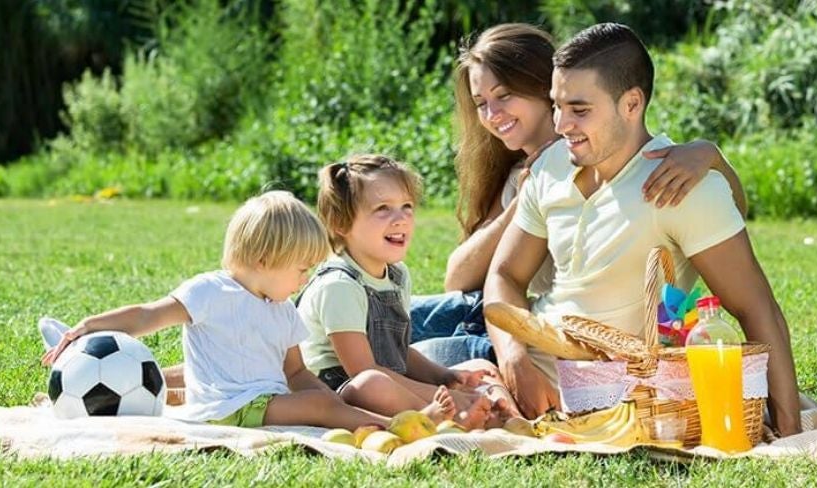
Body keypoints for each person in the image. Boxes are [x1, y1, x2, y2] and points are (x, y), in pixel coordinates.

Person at [482, 23, 801, 436]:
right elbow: (504, 274)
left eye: (579, 110)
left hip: (606, 391)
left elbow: (757, 308)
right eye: (556, 105)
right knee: (414, 348)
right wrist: (513, 359)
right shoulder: (551, 166)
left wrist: (792, 432)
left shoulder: (681, 185)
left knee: (394, 369)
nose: (560, 124)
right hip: (504, 351)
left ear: (631, 104)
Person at [410, 23, 748, 368]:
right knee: (374, 320)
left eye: (505, 95)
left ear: (545, 88)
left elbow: (726, 217)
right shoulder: (528, 172)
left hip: (532, 332)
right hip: (500, 316)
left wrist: (711, 156)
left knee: (386, 348)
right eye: (481, 102)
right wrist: (525, 197)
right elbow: (459, 277)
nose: (492, 115)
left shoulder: (602, 156)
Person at [40, 191, 418, 429]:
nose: (305, 279)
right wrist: (88, 325)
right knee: (320, 405)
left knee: (323, 401)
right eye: (301, 269)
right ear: (266, 258)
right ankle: (396, 427)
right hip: (227, 408)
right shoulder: (210, 291)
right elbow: (146, 316)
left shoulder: (283, 309)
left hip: (263, 403)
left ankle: (385, 421)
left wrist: (331, 405)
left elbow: (296, 372)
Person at [296, 155, 507, 430]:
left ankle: (449, 408)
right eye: (383, 208)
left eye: (406, 206)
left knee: (477, 367)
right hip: (335, 392)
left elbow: (397, 351)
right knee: (373, 384)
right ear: (341, 223)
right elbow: (362, 371)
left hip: (383, 379)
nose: (401, 219)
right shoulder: (339, 285)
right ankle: (440, 416)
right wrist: (440, 395)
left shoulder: (396, 275)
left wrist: (445, 376)